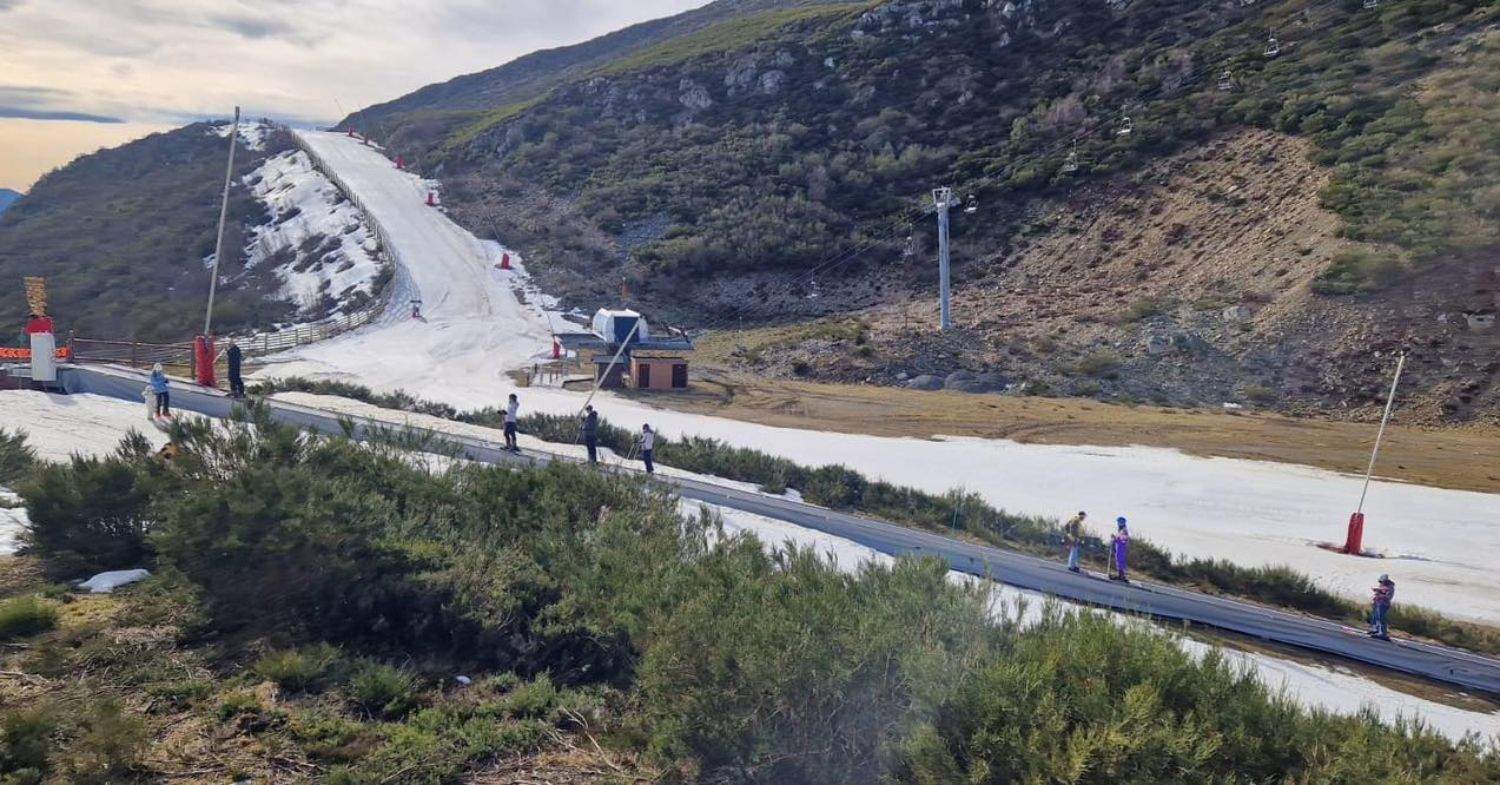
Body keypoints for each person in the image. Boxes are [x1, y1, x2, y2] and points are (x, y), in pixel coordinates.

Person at [1369, 574, 1396, 640]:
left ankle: (1382, 634)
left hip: (1383, 604)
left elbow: (1388, 597)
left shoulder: (1390, 587)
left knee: (1381, 619)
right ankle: (1377, 630)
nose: (1380, 583)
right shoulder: (1382, 586)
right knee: (1377, 618)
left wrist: (1379, 593)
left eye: (1381, 581)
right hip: (1378, 603)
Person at [1109, 517, 1130, 582]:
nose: (1118, 524)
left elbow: (1123, 539)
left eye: (1119, 522)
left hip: (1121, 548)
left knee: (1120, 561)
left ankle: (1121, 575)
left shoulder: (1123, 530)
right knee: (1119, 561)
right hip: (1119, 547)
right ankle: (1121, 575)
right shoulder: (1120, 530)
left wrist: (1114, 538)